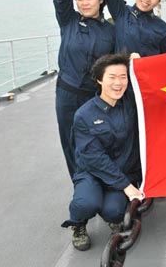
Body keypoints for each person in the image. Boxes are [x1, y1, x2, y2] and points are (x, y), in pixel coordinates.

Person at [27, 0, 115, 180]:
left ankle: (104, 187)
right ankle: (81, 189)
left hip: (96, 96)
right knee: (71, 142)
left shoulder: (111, 31)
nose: (84, 3)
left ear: (100, 0)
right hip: (66, 95)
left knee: (99, 143)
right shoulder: (68, 22)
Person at [61, 53, 143, 250]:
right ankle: (78, 224)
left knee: (114, 212)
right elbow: (93, 157)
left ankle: (112, 212)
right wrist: (126, 186)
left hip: (122, 170)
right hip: (93, 172)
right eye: (112, 77)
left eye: (123, 77)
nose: (118, 83)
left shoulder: (132, 104)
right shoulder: (84, 115)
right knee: (86, 204)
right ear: (99, 79)